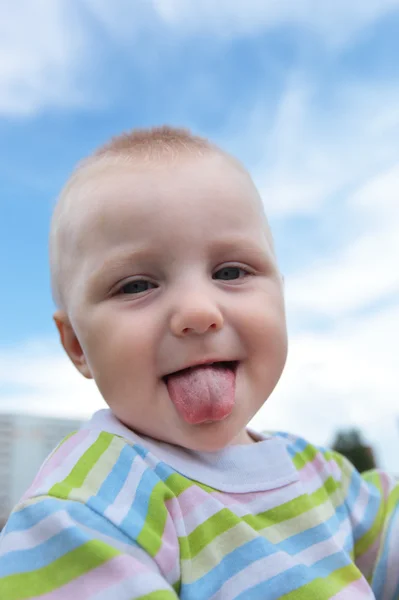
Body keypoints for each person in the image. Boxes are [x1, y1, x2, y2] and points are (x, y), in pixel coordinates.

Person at [0, 126, 398, 600]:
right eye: (136, 285)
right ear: (77, 345)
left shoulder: (322, 475)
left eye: (231, 272)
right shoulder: (83, 507)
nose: (197, 313)